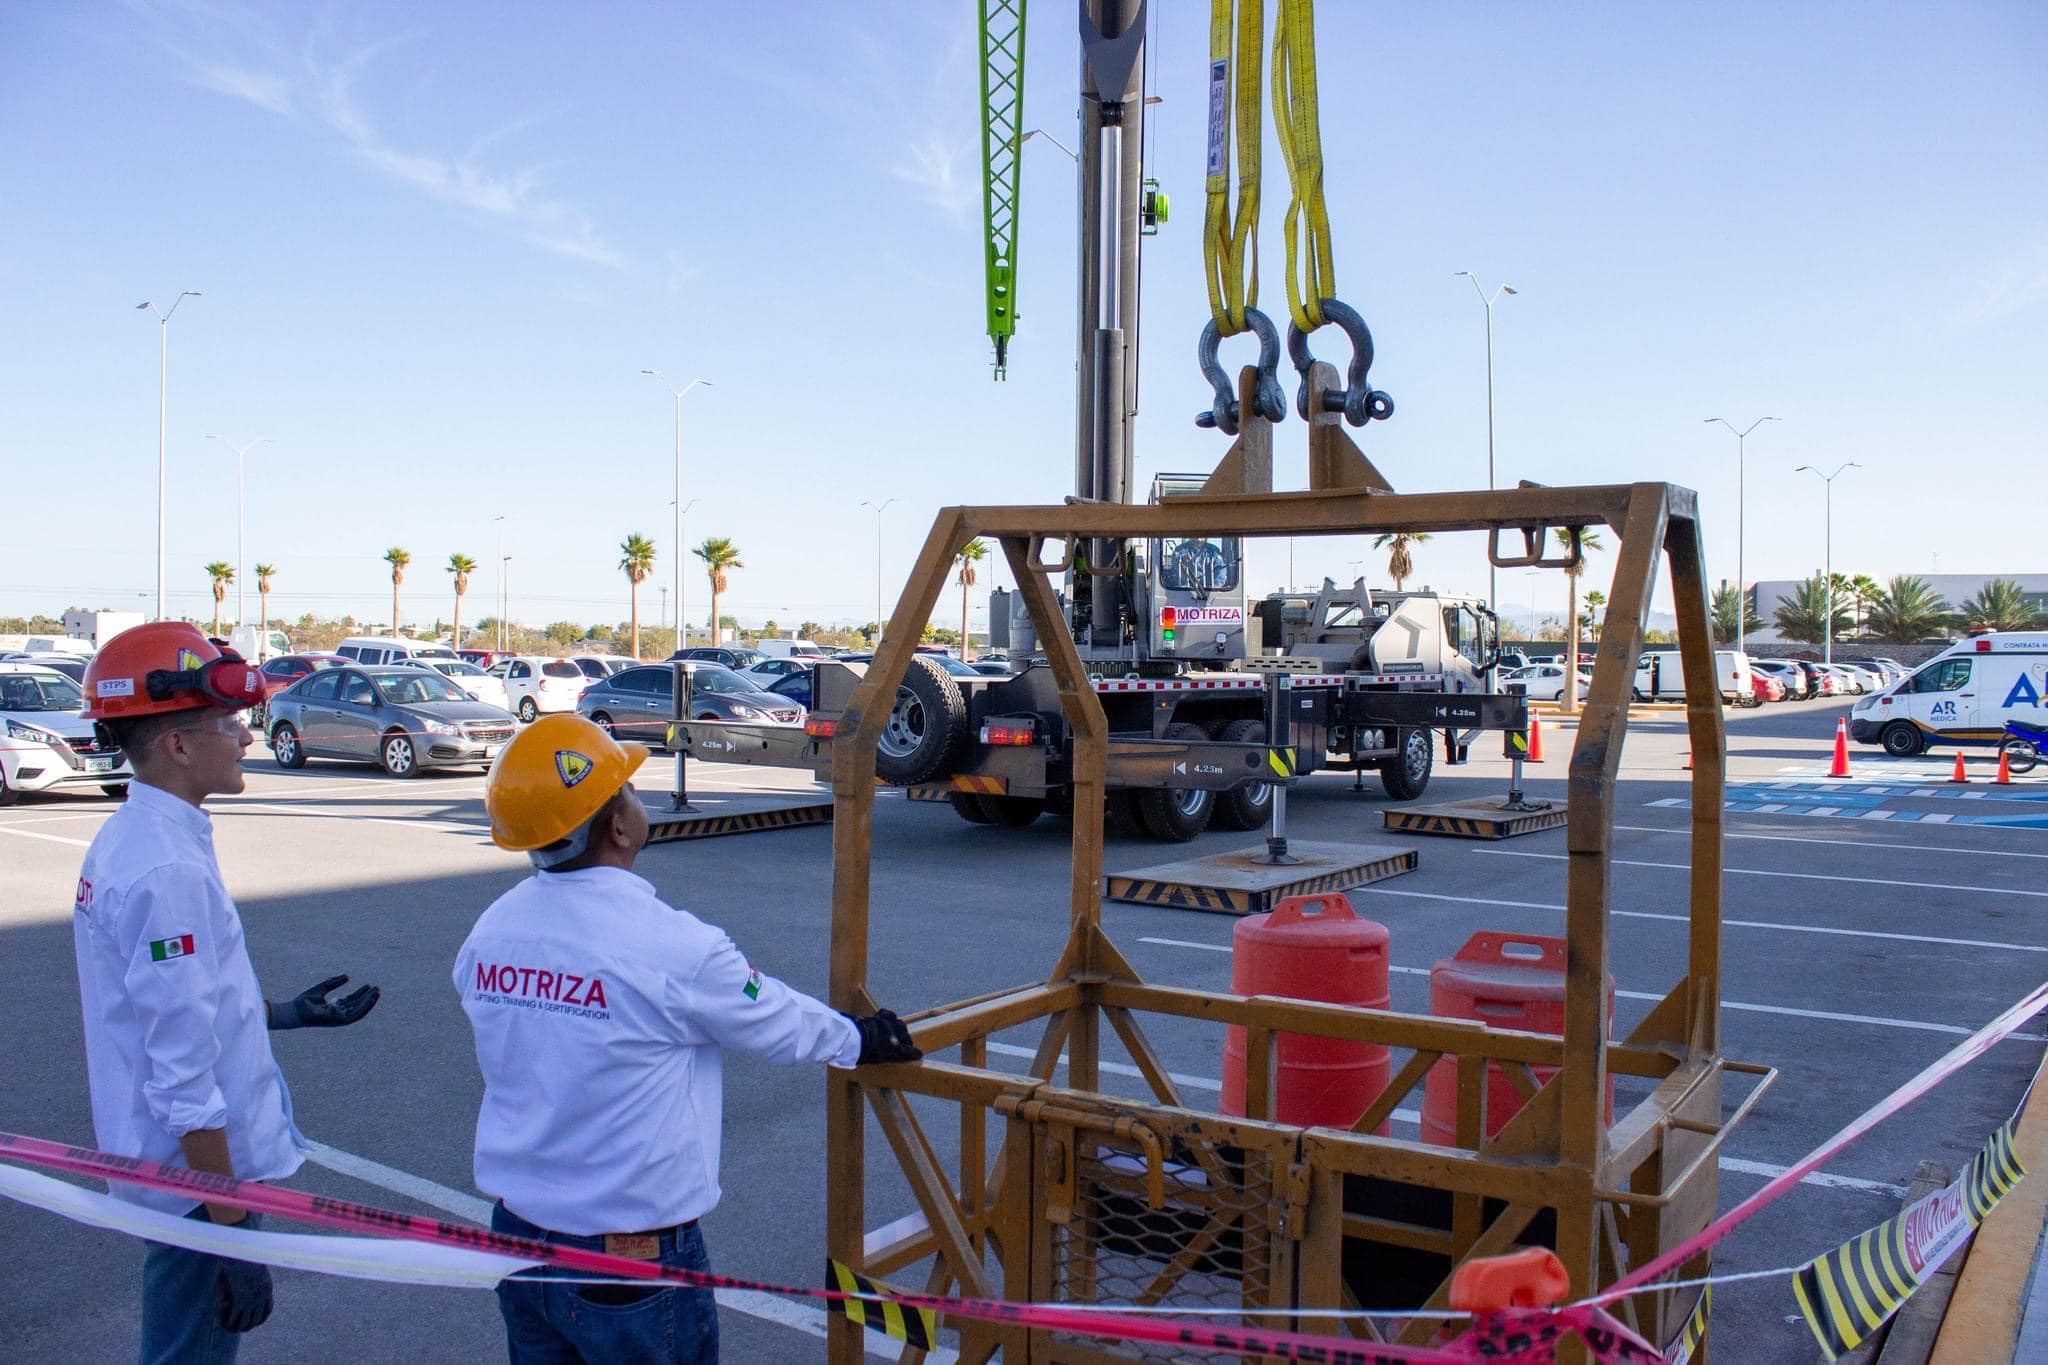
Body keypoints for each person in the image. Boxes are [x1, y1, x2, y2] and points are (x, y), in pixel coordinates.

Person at [455, 713, 920, 1364]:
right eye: (630, 793)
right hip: (628, 1262)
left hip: (521, 1243)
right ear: (617, 825)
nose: (638, 803)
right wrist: (854, 1037)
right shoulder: (675, 946)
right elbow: (772, 1014)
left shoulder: (490, 934)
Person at [74, 622, 382, 1364]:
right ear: (178, 745)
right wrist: (228, 1231)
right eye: (231, 724)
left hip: (186, 1182)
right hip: (198, 1188)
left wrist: (275, 1013)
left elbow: (164, 1007)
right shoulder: (163, 870)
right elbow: (182, 1079)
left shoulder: (142, 837)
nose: (247, 739)